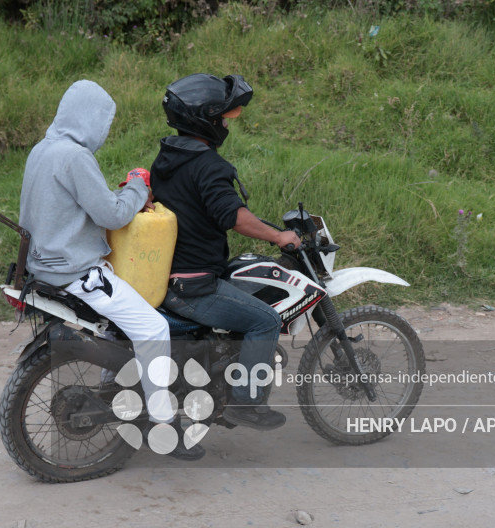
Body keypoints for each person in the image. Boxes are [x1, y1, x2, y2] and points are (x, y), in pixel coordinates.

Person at [18, 80, 204, 461]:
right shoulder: (74, 156)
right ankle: (164, 423)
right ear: (90, 119)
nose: (104, 131)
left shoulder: (43, 149)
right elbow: (113, 214)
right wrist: (137, 184)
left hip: (40, 267)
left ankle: (113, 386)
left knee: (125, 324)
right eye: (104, 122)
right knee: (154, 328)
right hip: (73, 271)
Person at [150, 73, 301, 431]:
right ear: (204, 118)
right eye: (221, 118)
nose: (224, 124)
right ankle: (245, 404)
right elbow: (233, 216)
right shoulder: (209, 166)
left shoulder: (167, 156)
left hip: (164, 278)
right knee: (265, 320)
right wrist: (280, 238)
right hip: (193, 287)